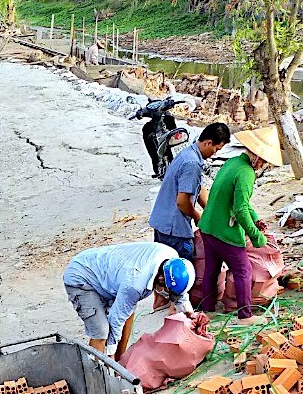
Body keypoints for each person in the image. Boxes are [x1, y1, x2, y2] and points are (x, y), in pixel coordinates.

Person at [197, 125, 284, 320]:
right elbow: (240, 209)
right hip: (224, 231)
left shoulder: (232, 162)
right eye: (264, 162)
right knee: (243, 270)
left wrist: (256, 219)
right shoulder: (246, 173)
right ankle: (246, 315)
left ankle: (207, 308)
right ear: (257, 157)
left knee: (212, 269)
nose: (263, 166)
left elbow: (239, 202)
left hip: (208, 226)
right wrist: (255, 235)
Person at [63, 240, 196, 359]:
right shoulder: (135, 284)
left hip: (111, 276)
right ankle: (93, 372)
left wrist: (190, 315)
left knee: (128, 312)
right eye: (167, 291)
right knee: (101, 331)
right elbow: (116, 320)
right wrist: (110, 355)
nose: (167, 295)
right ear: (161, 279)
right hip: (83, 277)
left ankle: (121, 361)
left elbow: (179, 295)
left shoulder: (172, 261)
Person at [149, 122, 231, 260]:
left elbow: (198, 188)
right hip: (173, 230)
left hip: (162, 224)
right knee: (182, 267)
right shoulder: (192, 164)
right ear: (208, 143)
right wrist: (198, 217)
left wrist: (212, 211)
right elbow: (182, 202)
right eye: (216, 149)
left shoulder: (188, 154)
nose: (214, 154)